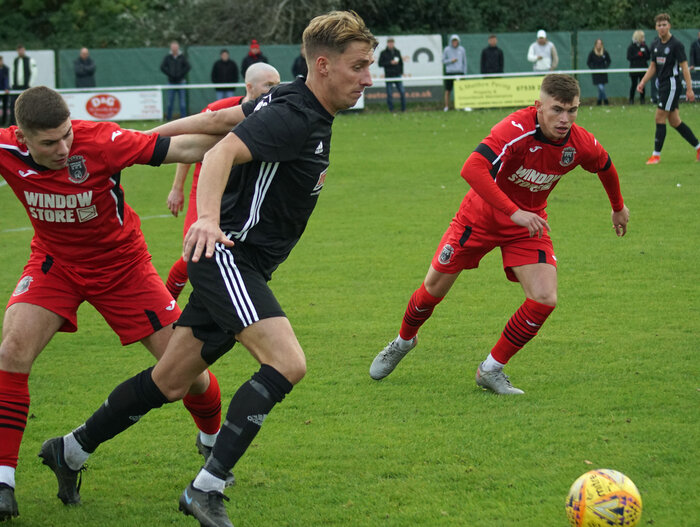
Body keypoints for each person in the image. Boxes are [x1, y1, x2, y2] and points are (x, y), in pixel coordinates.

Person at [40, 10, 376, 527]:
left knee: (170, 380)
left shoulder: (285, 99)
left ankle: (70, 449)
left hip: (240, 263)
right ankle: (207, 487)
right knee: (287, 363)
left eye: (369, 66)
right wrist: (208, 220)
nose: (368, 78)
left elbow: (217, 121)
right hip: (230, 257)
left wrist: (139, 143)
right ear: (325, 65)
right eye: (359, 67)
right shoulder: (293, 115)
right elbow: (220, 153)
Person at [0, 86, 228, 521]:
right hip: (55, 263)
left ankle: (213, 443)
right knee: (12, 351)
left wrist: (253, 135)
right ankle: (3, 481)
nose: (64, 148)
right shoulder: (6, 147)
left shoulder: (101, 141)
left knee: (188, 373)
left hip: (123, 267)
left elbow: (183, 145)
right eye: (49, 143)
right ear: (23, 138)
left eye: (67, 135)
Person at [370, 74, 629, 396]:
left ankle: (491, 368)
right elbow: (472, 168)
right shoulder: (516, 130)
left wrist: (618, 207)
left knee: (545, 298)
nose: (565, 119)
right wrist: (513, 211)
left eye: (573, 110)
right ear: (539, 106)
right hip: (478, 219)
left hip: (527, 227)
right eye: (557, 110)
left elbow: (605, 165)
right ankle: (403, 341)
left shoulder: (580, 142)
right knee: (433, 289)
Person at [166, 63, 281, 300]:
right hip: (205, 187)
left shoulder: (273, 112)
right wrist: (177, 188)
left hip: (239, 193)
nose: (273, 90)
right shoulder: (219, 111)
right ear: (249, 86)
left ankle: (222, 306)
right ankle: (166, 300)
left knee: (230, 253)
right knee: (193, 253)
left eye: (277, 85)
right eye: (268, 85)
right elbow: (187, 146)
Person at [637, 13, 699, 165]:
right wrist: (643, 82)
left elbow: (685, 67)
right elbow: (653, 67)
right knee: (675, 121)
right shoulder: (655, 44)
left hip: (671, 85)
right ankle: (698, 147)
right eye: (659, 25)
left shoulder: (676, 44)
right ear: (656, 27)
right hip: (663, 85)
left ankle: (656, 156)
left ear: (669, 26)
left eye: (664, 24)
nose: (662, 27)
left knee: (659, 117)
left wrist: (689, 89)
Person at [161, 40, 191, 120]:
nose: (174, 48)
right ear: (171, 48)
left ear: (178, 47)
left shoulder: (182, 57)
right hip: (171, 83)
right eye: (173, 46)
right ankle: (168, 119)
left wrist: (180, 75)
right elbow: (162, 67)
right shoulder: (168, 57)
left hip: (181, 82)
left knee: (182, 104)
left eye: (175, 46)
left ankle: (184, 120)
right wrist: (170, 74)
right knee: (170, 103)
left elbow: (188, 66)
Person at [10, 45, 37, 125]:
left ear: (24, 50)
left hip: (26, 87)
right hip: (16, 87)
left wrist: (30, 84)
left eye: (22, 50)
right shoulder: (15, 60)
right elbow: (12, 72)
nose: (20, 52)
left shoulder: (30, 60)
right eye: (19, 50)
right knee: (14, 104)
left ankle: (27, 122)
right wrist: (12, 84)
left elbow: (34, 73)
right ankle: (13, 122)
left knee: (26, 104)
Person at [378, 38, 406, 112]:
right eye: (389, 43)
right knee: (389, 94)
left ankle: (403, 109)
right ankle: (391, 109)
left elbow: (401, 64)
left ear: (394, 43)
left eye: (392, 43)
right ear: (387, 44)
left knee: (402, 92)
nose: (391, 44)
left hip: (397, 75)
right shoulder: (383, 53)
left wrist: (400, 72)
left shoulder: (397, 52)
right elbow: (380, 64)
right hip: (389, 75)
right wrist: (390, 63)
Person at [442, 34, 467, 111]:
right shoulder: (447, 49)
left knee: (460, 90)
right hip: (449, 73)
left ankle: (460, 106)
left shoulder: (462, 50)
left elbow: (464, 62)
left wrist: (464, 73)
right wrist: (450, 61)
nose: (455, 42)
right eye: (453, 41)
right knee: (448, 90)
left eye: (456, 41)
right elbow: (443, 61)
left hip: (459, 72)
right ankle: (446, 106)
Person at [627, 30, 650, 104]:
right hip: (634, 68)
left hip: (643, 68)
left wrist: (644, 53)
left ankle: (642, 100)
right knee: (634, 84)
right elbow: (629, 57)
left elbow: (648, 57)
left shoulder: (645, 46)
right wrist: (637, 55)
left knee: (642, 84)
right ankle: (631, 100)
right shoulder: (631, 47)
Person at [587, 39, 611, 105]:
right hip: (596, 74)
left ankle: (599, 101)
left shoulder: (605, 52)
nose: (599, 45)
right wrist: (593, 68)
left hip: (603, 73)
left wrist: (605, 67)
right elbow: (588, 62)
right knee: (600, 87)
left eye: (600, 43)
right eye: (598, 43)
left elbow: (609, 61)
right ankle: (606, 100)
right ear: (595, 44)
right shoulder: (592, 53)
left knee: (601, 88)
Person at [0, 57, 9, 126]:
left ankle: (4, 122)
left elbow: (6, 79)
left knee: (5, 106)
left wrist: (6, 88)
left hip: (4, 91)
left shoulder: (6, 68)